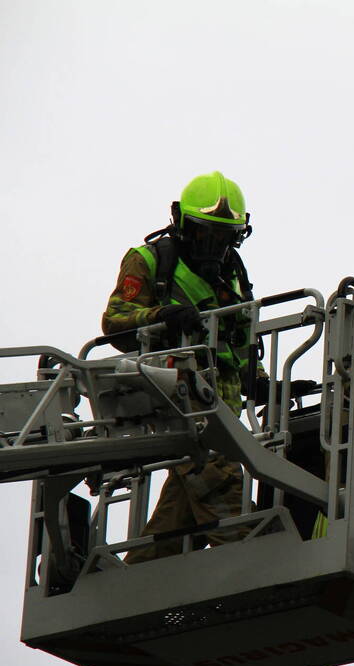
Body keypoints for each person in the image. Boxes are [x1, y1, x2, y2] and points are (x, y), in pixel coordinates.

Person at [102, 170, 264, 563]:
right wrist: (162, 316)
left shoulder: (234, 272)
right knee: (226, 499)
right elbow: (114, 322)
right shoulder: (150, 260)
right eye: (207, 233)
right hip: (178, 399)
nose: (216, 245)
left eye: (225, 236)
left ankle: (136, 589)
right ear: (181, 221)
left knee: (177, 523)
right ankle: (257, 568)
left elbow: (241, 341)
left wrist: (263, 383)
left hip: (222, 409)